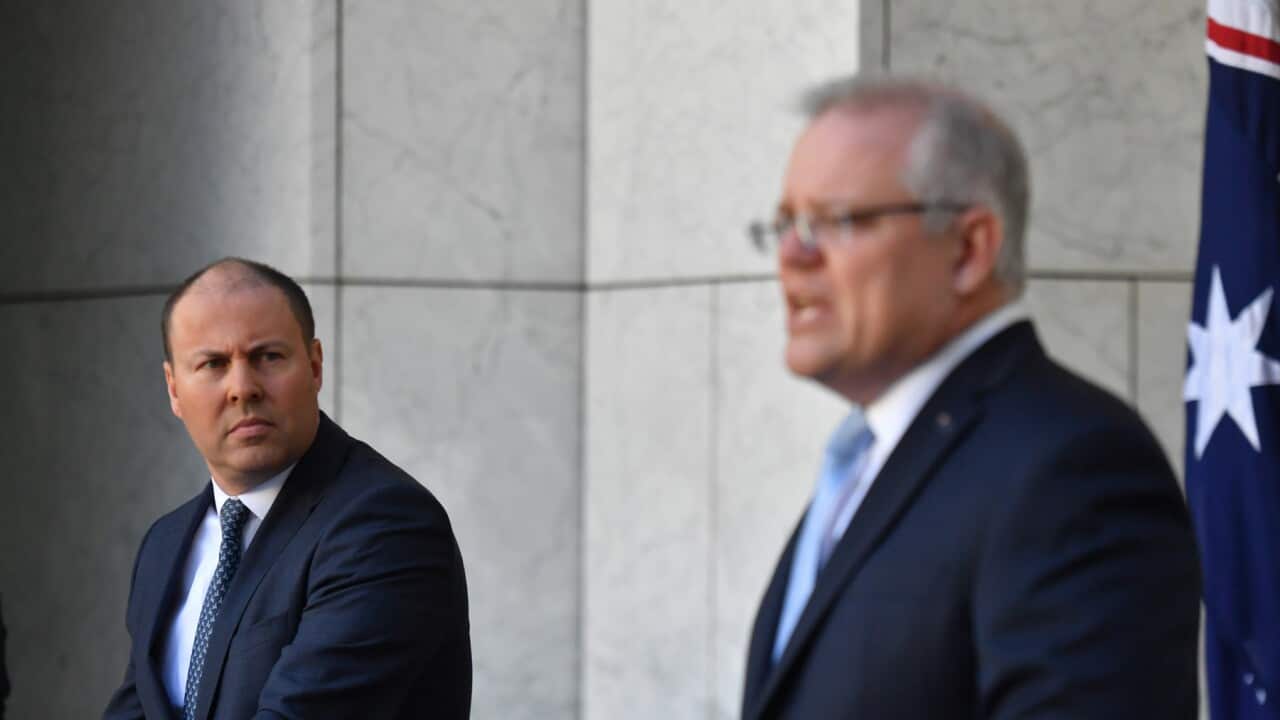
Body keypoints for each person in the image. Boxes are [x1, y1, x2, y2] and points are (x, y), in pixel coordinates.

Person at [740, 75, 1201, 719]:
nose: (792, 255)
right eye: (787, 223)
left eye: (837, 221)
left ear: (968, 249)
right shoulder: (868, 462)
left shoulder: (1073, 469)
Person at [103, 258, 470, 719]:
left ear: (315, 366)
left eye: (268, 357)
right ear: (174, 389)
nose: (243, 388)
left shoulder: (386, 526)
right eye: (213, 363)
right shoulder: (165, 543)